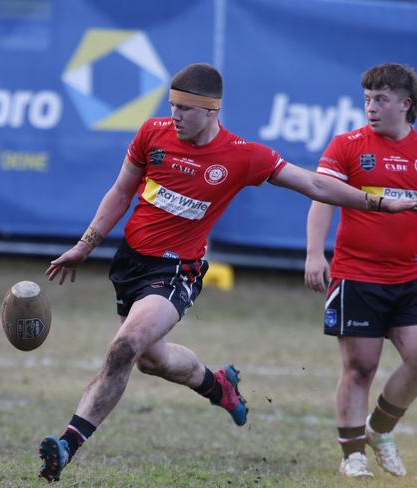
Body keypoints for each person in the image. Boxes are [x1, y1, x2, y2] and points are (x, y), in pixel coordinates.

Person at [37, 62, 417, 483]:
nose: (175, 115)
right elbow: (121, 191)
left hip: (178, 270)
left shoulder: (243, 155)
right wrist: (85, 244)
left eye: (185, 108)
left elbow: (316, 185)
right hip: (131, 264)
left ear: (212, 110)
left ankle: (68, 443)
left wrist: (379, 204)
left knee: (124, 346)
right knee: (150, 358)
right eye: (172, 105)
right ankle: (219, 387)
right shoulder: (152, 133)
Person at [304, 63, 417, 478]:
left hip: (409, 277)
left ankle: (380, 429)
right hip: (358, 276)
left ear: (405, 104)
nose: (371, 107)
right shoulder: (348, 146)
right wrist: (315, 253)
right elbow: (320, 197)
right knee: (360, 367)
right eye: (367, 99)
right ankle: (352, 454)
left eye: (381, 99)